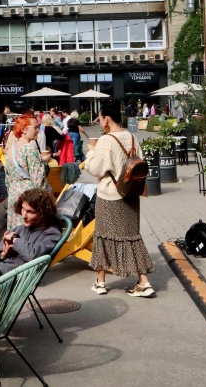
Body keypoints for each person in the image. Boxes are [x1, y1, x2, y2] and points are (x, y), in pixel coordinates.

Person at [84, 101, 155, 298]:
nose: (99, 121)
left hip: (110, 195)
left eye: (100, 117)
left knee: (104, 236)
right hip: (131, 194)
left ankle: (100, 282)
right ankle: (143, 280)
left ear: (106, 119)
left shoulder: (106, 141)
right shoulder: (132, 137)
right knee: (131, 237)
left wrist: (91, 150)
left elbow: (95, 168)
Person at [0, 188, 63, 275]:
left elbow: (34, 255)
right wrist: (3, 254)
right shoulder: (20, 229)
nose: (24, 215)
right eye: (23, 209)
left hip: (12, 274)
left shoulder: (51, 233)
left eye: (30, 212)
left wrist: (15, 240)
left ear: (42, 214)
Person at [5, 115, 48, 231]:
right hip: (29, 196)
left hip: (14, 194)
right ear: (24, 129)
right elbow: (39, 180)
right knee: (29, 231)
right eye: (35, 127)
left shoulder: (10, 148)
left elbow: (7, 178)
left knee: (15, 231)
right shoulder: (29, 148)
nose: (38, 130)